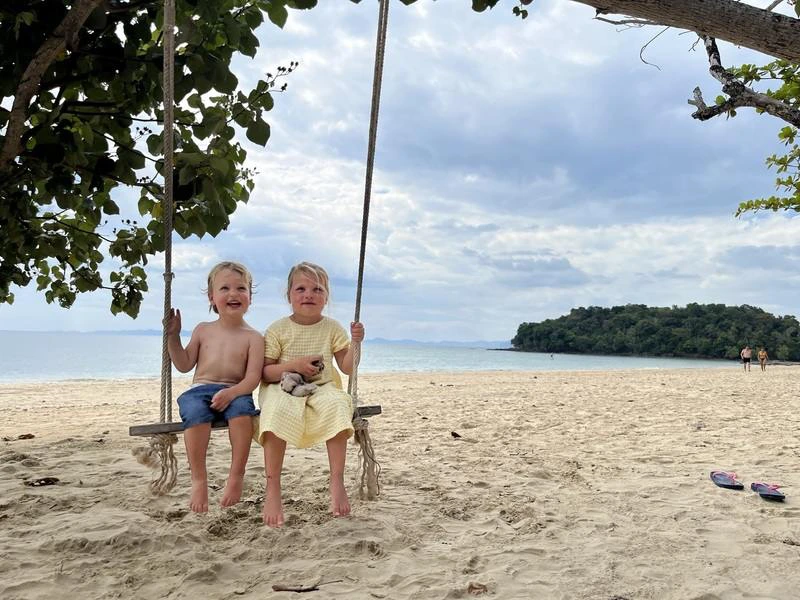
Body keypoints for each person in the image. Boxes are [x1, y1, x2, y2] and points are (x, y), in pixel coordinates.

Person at [255, 261, 365, 527]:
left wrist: (356, 343)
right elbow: (265, 372)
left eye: (317, 289)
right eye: (301, 288)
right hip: (281, 386)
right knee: (275, 413)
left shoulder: (332, 328)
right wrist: (294, 366)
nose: (309, 295)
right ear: (289, 295)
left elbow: (348, 367)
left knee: (340, 405)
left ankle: (336, 480)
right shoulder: (278, 329)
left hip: (322, 386)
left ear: (326, 297)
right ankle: (273, 488)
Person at [165, 261, 264, 513]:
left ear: (250, 297)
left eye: (241, 288)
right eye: (224, 288)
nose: (233, 293)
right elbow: (184, 364)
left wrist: (231, 392)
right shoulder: (203, 330)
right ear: (212, 297)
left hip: (237, 389)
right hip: (201, 390)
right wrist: (173, 336)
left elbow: (253, 378)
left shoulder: (254, 337)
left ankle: (236, 476)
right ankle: (199, 479)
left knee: (244, 414)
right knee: (195, 415)